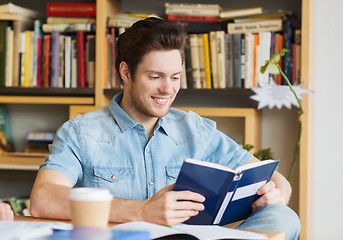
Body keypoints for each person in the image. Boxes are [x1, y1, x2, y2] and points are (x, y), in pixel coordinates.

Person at [30, 18, 300, 239]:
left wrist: (277, 194)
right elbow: (43, 199)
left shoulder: (195, 129)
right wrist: (142, 211)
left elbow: (276, 180)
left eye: (175, 77)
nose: (167, 89)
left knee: (284, 216)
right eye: (155, 76)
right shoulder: (80, 132)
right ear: (126, 73)